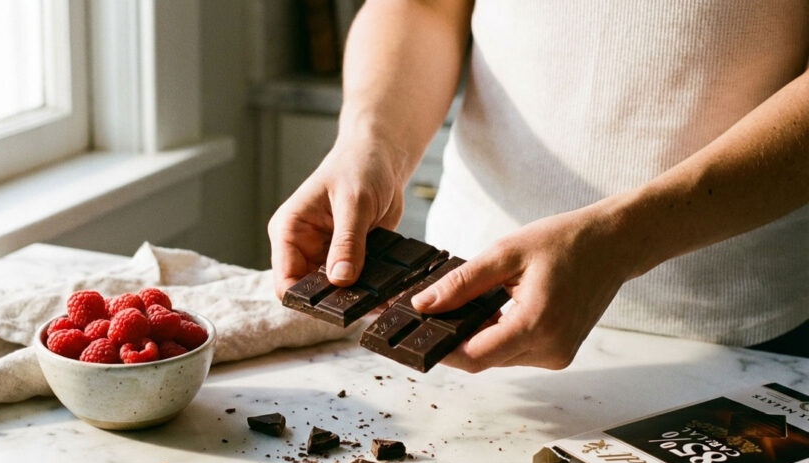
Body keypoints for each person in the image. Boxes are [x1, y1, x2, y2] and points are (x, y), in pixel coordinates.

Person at [268, 0, 809, 371]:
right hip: (457, 307)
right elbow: (423, 5)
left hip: (736, 329)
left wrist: (625, 238)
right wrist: (373, 139)